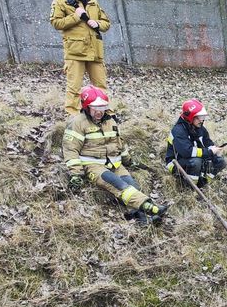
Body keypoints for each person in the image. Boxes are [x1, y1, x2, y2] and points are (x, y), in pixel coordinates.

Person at [62, 86, 168, 226]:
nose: (100, 112)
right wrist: (76, 174)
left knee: (133, 186)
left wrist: (128, 161)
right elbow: (70, 150)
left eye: (103, 107)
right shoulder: (78, 123)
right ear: (86, 107)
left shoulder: (110, 121)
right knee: (119, 185)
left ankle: (143, 220)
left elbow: (119, 144)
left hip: (115, 164)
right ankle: (152, 208)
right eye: (95, 108)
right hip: (94, 166)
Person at [49, 0, 110, 114]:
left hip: (95, 50)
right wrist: (76, 16)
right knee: (74, 88)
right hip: (75, 51)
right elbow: (56, 22)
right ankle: (73, 118)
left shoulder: (92, 1)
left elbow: (106, 23)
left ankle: (104, 115)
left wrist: (98, 24)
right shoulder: (60, 0)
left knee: (100, 86)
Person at [164, 100, 226, 188]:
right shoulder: (178, 131)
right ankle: (188, 187)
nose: (202, 120)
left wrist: (215, 150)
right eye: (199, 117)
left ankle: (202, 183)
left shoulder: (199, 128)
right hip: (176, 163)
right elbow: (187, 152)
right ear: (190, 117)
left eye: (203, 117)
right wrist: (209, 152)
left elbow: (208, 143)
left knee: (221, 161)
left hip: (192, 160)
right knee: (196, 162)